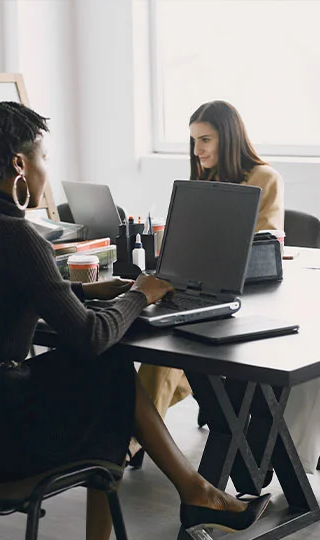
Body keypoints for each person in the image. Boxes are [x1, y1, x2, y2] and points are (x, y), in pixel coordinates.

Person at [0, 101, 270, 540]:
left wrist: (84, 291)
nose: (46, 168)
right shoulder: (18, 238)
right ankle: (197, 494)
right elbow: (90, 336)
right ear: (18, 164)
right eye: (43, 158)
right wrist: (138, 295)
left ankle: (197, 492)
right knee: (106, 369)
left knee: (103, 372)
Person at [132, 100, 285, 463]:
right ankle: (134, 433)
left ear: (228, 139)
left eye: (205, 140)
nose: (197, 149)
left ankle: (133, 439)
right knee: (156, 342)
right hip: (200, 288)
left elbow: (268, 243)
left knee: (165, 355)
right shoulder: (206, 178)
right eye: (193, 141)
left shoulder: (265, 178)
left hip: (246, 298)